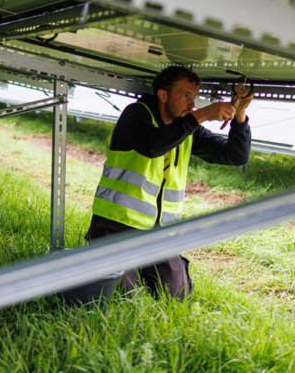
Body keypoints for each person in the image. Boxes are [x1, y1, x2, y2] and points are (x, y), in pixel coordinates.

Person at [86, 65, 253, 300]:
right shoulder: (136, 114)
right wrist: (202, 115)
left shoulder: (187, 129)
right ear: (163, 96)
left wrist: (240, 115)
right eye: (185, 96)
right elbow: (152, 145)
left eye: (194, 97)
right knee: (123, 297)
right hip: (117, 226)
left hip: (160, 232)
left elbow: (235, 156)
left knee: (175, 296)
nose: (192, 104)